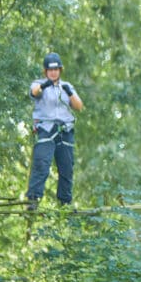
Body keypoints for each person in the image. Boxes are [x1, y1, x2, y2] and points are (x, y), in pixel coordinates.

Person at [26, 52, 84, 209]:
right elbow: (34, 92)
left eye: (56, 70)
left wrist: (69, 92)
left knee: (67, 167)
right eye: (50, 70)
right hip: (46, 128)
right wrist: (45, 85)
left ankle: (65, 202)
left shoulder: (67, 86)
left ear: (60, 70)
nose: (53, 72)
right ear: (46, 71)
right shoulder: (38, 84)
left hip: (65, 130)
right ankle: (33, 199)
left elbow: (79, 107)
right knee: (41, 163)